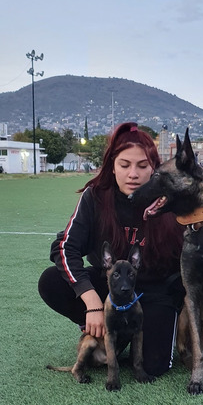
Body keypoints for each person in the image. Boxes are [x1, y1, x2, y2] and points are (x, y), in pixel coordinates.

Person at [38, 122, 185, 377]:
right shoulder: (96, 197)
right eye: (125, 165)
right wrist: (93, 303)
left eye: (142, 166)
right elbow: (64, 248)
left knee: (155, 366)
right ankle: (105, 328)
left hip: (154, 290)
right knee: (50, 281)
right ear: (113, 166)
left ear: (154, 168)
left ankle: (134, 334)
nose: (133, 174)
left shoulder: (169, 201)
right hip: (109, 287)